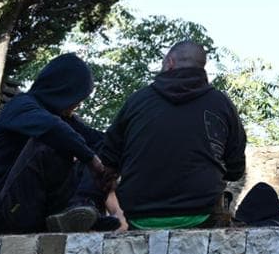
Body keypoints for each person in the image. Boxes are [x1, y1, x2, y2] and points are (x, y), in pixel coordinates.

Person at [0, 53, 113, 234]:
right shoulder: (21, 107)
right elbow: (54, 130)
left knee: (97, 145)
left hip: (27, 207)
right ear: (63, 90)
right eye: (76, 98)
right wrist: (92, 161)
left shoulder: (59, 118)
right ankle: (74, 207)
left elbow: (100, 140)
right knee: (55, 141)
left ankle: (84, 209)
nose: (77, 105)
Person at [102, 40, 249, 229]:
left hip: (137, 215)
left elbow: (108, 160)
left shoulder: (137, 101)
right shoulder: (221, 104)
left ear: (170, 62)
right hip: (202, 214)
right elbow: (236, 169)